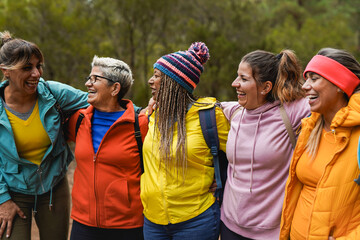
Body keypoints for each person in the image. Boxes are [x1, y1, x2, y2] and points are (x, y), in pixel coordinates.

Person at [0, 31, 88, 239]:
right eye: (27, 68)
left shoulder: (52, 93)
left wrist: (145, 111)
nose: (36, 74)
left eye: (38, 66)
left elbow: (96, 100)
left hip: (53, 188)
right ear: (6, 71)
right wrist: (2, 199)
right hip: (13, 191)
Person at [140, 42, 229, 240]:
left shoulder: (210, 115)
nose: (150, 81)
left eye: (157, 76)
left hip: (196, 220)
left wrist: (223, 180)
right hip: (153, 221)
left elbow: (241, 155)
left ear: (174, 82)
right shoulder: (152, 115)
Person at [220, 49, 310, 240]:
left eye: (243, 79)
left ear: (265, 87)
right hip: (229, 225)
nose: (234, 84)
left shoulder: (290, 113)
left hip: (271, 231)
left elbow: (332, 99)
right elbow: (204, 106)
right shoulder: (235, 111)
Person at [279, 48, 360, 240]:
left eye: (314, 79)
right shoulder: (309, 127)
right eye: (307, 79)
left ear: (340, 84)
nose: (305, 86)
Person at [66, 55, 148, 240]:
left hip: (128, 225)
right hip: (83, 223)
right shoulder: (78, 120)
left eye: (95, 79)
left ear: (115, 88)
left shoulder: (140, 124)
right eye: (89, 78)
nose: (88, 83)